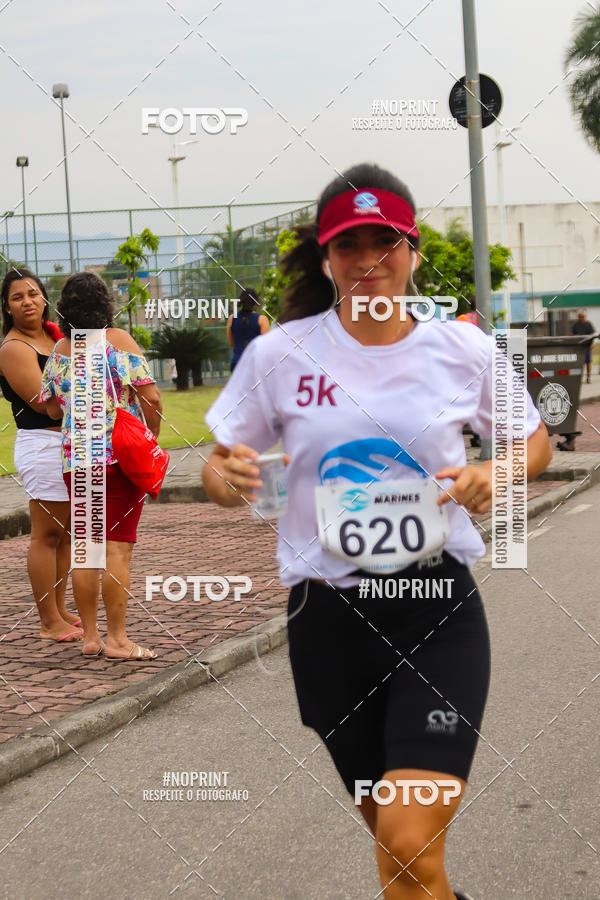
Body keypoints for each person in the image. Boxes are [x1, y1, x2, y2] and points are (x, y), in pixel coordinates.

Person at [202, 163, 553, 900]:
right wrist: (227, 477)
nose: (367, 260)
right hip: (328, 623)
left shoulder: (461, 348)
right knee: (407, 861)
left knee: (403, 840)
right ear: (327, 258)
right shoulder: (280, 353)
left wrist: (504, 473)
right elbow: (222, 466)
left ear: (413, 249)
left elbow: (535, 440)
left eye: (385, 241)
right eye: (348, 245)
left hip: (436, 612)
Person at [40, 272, 163, 661]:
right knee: (118, 550)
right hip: (118, 459)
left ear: (64, 308)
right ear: (105, 303)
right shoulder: (118, 341)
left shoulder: (60, 349)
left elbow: (50, 406)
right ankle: (119, 640)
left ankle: (91, 637)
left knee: (86, 549)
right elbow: (152, 397)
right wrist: (151, 435)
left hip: (76, 461)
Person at [0, 268, 82, 642]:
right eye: (18, 297)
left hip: (66, 443)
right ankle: (48, 621)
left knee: (64, 535)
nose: (27, 301)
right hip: (43, 445)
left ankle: (60, 609)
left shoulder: (54, 339)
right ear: (7, 308)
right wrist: (99, 395)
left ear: (44, 298)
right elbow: (47, 402)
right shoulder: (15, 348)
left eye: (33, 293)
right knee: (46, 535)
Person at [226, 287, 269, 372]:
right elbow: (265, 346)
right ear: (255, 302)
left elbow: (232, 343)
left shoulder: (232, 318)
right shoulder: (262, 319)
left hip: (236, 362)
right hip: (255, 363)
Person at [571, 309, 595, 383]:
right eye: (579, 317)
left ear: (585, 316)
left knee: (588, 362)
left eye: (582, 317)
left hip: (587, 346)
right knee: (579, 363)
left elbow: (593, 334)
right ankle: (578, 378)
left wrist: (592, 343)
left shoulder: (589, 324)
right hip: (579, 346)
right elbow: (572, 334)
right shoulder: (575, 324)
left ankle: (588, 377)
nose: (581, 318)